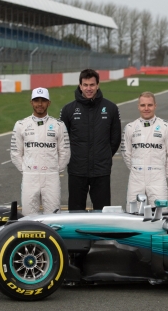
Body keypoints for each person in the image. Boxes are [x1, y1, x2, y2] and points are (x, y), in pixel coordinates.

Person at [60, 69, 121, 211]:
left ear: (98, 85)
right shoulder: (68, 110)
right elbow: (63, 139)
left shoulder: (111, 108)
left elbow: (115, 138)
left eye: (92, 85)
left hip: (101, 170)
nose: (89, 88)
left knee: (103, 212)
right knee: (75, 212)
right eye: (85, 85)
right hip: (77, 169)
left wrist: (103, 155)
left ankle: (100, 234)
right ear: (80, 86)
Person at [11, 87, 70, 216]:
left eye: (43, 100)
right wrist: (26, 169)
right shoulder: (21, 125)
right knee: (28, 215)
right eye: (36, 100)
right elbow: (15, 152)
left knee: (53, 215)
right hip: (29, 176)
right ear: (31, 102)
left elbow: (65, 152)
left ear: (49, 103)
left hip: (51, 176)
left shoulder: (58, 125)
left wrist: (55, 169)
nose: (39, 104)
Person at [121, 91, 168, 206]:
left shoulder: (167, 127)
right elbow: (126, 153)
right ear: (138, 106)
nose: (146, 108)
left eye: (150, 105)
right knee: (133, 214)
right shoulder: (130, 128)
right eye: (143, 105)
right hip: (136, 178)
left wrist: (161, 174)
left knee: (160, 214)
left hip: (157, 178)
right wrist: (137, 169)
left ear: (155, 106)